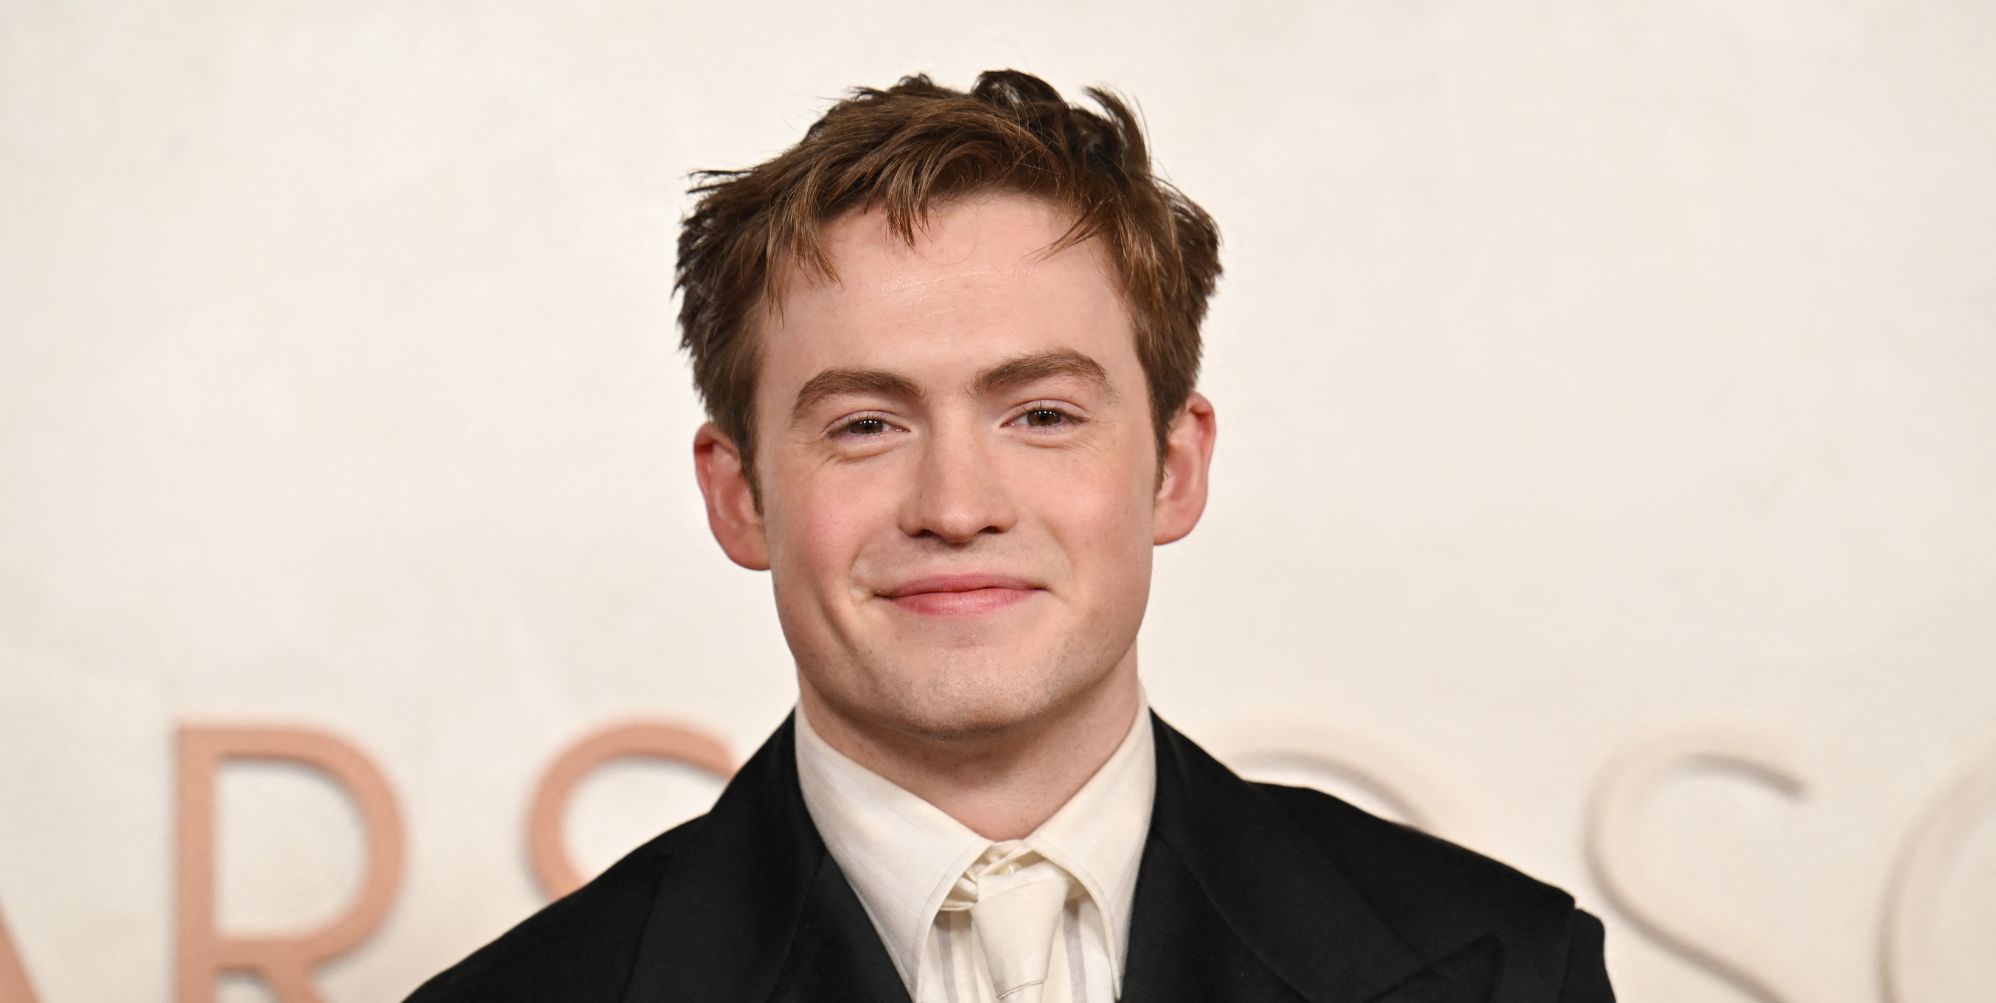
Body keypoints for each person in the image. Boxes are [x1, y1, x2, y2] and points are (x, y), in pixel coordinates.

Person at [407, 69, 1615, 1003]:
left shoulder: (1504, 969)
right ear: (741, 497)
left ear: (1172, 468)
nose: (956, 502)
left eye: (1040, 414)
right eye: (866, 422)